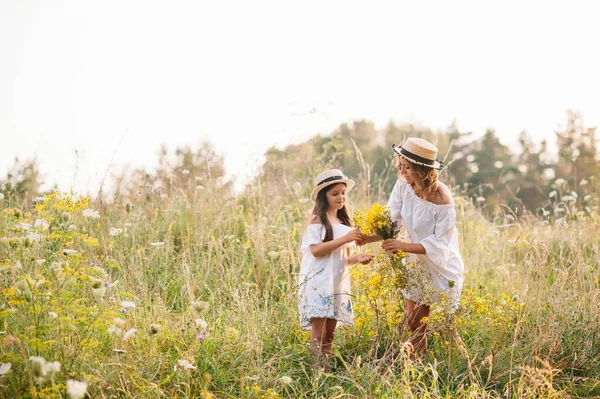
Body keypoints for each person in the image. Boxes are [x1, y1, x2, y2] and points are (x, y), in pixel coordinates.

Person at [359, 138, 465, 355]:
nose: (403, 172)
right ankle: (417, 366)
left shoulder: (443, 201)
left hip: (440, 264)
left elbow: (440, 243)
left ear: (424, 170)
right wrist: (367, 238)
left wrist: (403, 246)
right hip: (414, 262)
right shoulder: (403, 185)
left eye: (408, 168)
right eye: (401, 166)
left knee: (448, 328)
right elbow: (391, 219)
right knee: (414, 322)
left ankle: (460, 365)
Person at [298, 168, 374, 357]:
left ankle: (326, 370)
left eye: (343, 193)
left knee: (330, 333)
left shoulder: (343, 222)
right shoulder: (317, 220)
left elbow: (343, 259)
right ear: (324, 197)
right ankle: (315, 371)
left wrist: (359, 259)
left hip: (337, 282)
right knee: (319, 333)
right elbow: (316, 250)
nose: (341, 197)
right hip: (318, 282)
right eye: (335, 194)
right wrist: (345, 238)